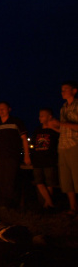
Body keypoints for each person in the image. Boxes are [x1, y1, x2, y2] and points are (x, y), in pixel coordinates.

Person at [0, 102, 31, 208]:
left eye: (3, 108)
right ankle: (5, 201)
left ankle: (13, 203)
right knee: (1, 180)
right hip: (0, 156)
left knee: (11, 180)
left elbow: (24, 139)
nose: (1, 111)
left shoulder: (16, 122)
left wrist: (26, 155)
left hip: (12, 155)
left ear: (9, 109)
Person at [49, 81, 78, 215]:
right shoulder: (63, 108)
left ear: (74, 91)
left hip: (75, 145)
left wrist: (60, 123)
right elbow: (64, 130)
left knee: (76, 176)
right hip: (63, 146)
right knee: (66, 179)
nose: (63, 92)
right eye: (61, 90)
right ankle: (73, 207)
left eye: (66, 89)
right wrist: (53, 127)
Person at [32, 108, 59, 209]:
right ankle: (50, 203)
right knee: (38, 181)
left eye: (42, 115)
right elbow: (34, 144)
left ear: (50, 117)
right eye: (39, 115)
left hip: (49, 159)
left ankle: (47, 205)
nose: (40, 118)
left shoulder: (53, 131)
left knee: (49, 182)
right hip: (38, 160)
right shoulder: (37, 130)